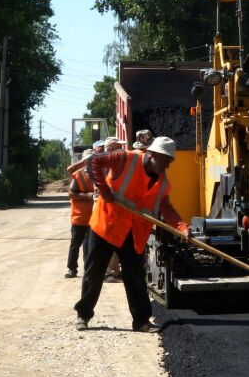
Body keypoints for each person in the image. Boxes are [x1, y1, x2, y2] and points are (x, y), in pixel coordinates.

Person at [74, 136, 189, 333]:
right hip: (106, 225)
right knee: (94, 271)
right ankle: (83, 315)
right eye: (166, 160)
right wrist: (103, 189)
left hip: (132, 232)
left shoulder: (162, 183)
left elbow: (167, 208)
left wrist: (183, 228)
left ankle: (142, 321)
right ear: (152, 155)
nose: (168, 165)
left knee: (135, 276)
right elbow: (93, 161)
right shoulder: (124, 158)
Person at [65, 149, 95, 278]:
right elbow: (71, 193)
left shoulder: (99, 173)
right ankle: (72, 269)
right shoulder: (78, 174)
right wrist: (87, 195)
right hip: (79, 217)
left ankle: (88, 269)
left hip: (93, 217)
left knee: (88, 246)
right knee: (75, 244)